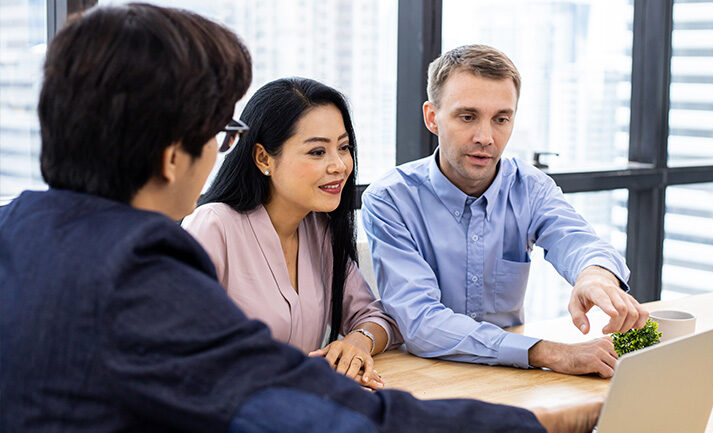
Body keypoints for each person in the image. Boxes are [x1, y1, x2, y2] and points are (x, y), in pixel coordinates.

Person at [0, 5, 601, 432]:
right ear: (170, 155)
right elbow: (303, 411)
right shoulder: (141, 268)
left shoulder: (18, 230)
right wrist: (539, 423)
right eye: (221, 131)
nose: (220, 150)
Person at [361, 44, 649, 378]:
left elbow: (578, 239)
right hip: (426, 377)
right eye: (467, 117)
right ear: (432, 118)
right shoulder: (390, 199)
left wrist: (594, 275)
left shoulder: (530, 187)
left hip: (514, 376)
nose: (486, 137)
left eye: (501, 119)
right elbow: (422, 323)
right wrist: (550, 353)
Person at [182, 77, 402, 390]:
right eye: (317, 152)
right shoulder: (213, 226)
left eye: (343, 147)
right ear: (263, 158)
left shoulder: (319, 230)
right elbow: (181, 351)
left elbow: (378, 317)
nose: (339, 165)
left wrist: (357, 341)